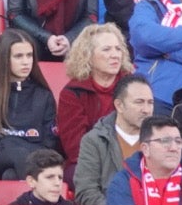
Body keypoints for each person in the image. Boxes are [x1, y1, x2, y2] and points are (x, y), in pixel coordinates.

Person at [58, 26, 135, 173]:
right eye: (106, 49)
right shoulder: (72, 93)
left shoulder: (133, 88)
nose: (115, 55)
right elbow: (75, 148)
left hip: (129, 160)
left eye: (118, 49)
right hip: (89, 163)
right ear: (88, 56)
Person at [74, 73, 156, 205]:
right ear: (119, 105)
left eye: (150, 103)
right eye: (139, 102)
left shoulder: (162, 138)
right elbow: (86, 191)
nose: (146, 110)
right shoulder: (94, 140)